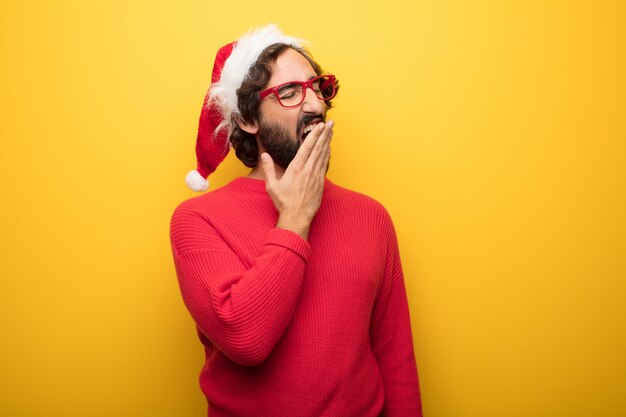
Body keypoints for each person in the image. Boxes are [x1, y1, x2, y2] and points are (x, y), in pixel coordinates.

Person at [170, 24, 423, 417]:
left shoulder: (371, 217)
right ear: (248, 119)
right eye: (289, 93)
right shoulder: (197, 220)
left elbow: (397, 361)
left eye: (317, 88)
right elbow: (246, 339)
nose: (316, 107)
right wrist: (295, 218)